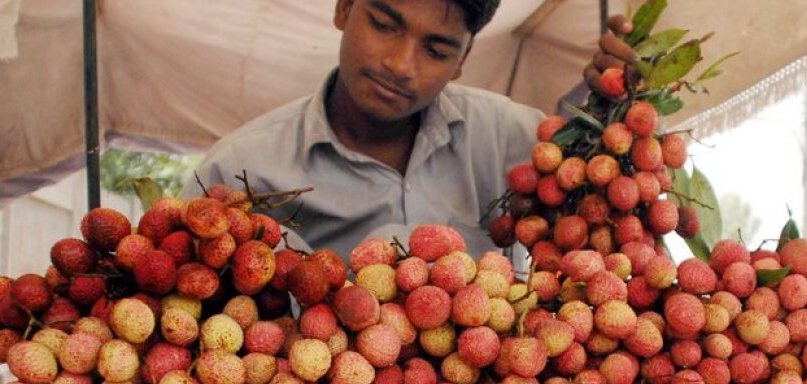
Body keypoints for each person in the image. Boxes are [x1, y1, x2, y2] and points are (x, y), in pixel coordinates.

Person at [188, 0, 634, 259]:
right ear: (344, 8)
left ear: (462, 60)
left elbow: (608, 226)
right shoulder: (238, 172)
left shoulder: (518, 140)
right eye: (384, 26)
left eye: (436, 49)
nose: (400, 65)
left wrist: (616, 119)